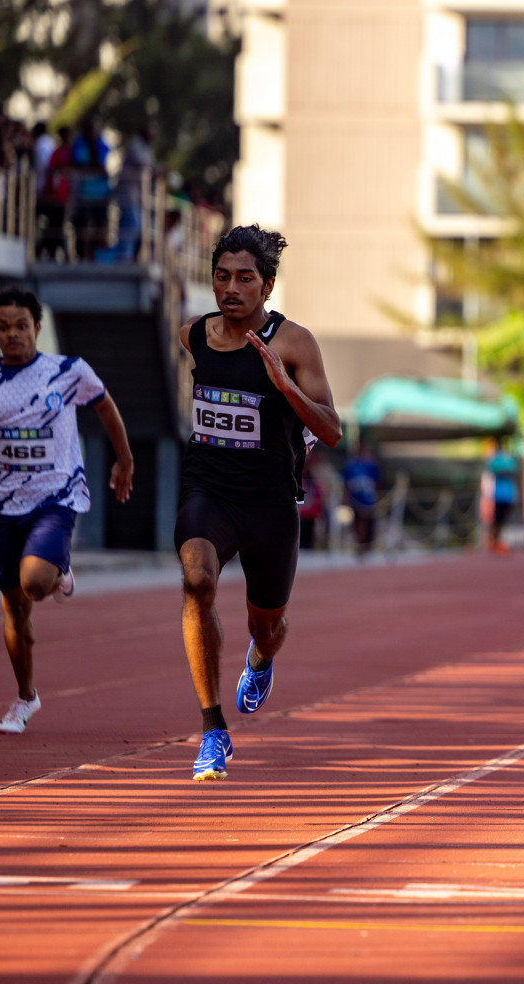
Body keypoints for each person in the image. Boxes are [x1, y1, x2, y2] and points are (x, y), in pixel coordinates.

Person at [176, 224, 341, 780]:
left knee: (267, 626)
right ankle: (212, 730)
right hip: (209, 491)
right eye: (222, 277)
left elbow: (333, 430)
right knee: (197, 580)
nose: (231, 288)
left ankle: (260, 657)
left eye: (245, 278)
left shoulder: (294, 342)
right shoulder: (192, 336)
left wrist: (283, 385)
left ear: (267, 286)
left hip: (270, 505)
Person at [0, 286, 134, 734]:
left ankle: (58, 570)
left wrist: (124, 458)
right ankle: (25, 698)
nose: (13, 334)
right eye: (3, 327)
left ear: (37, 327)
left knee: (35, 582)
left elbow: (106, 408)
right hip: (1, 503)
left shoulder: (69, 372)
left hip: (56, 496)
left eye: (21, 326)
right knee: (14, 610)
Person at [340, 446, 381, 556]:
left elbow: (376, 482)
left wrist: (375, 496)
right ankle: (360, 544)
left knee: (366, 521)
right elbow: (345, 482)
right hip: (355, 498)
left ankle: (365, 545)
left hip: (367, 499)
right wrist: (345, 498)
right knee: (357, 522)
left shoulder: (370, 465)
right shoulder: (350, 465)